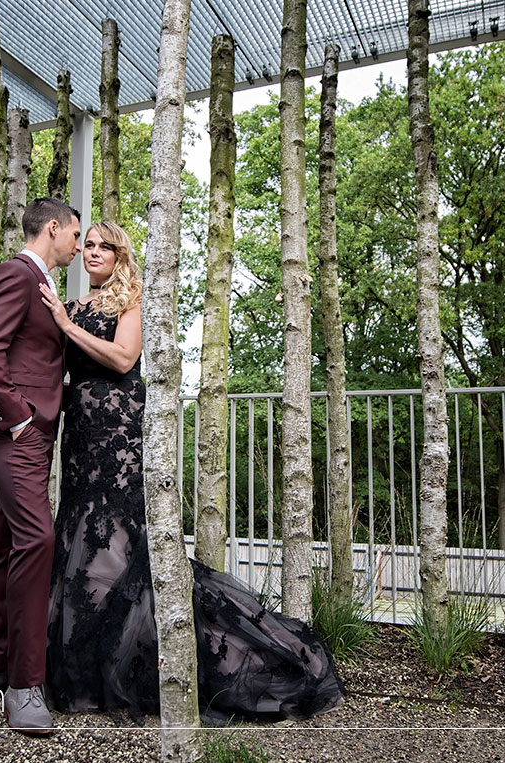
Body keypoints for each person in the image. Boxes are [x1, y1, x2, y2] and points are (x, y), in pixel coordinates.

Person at [40, 221, 344, 725]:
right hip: (78, 434)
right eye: (87, 244)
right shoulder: (70, 307)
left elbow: (123, 357)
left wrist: (67, 328)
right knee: (77, 534)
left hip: (117, 432)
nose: (92, 252)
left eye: (103, 247)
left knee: (120, 537)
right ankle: (84, 662)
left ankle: (147, 654)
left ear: (120, 256)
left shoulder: (128, 304)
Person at [0, 197, 82, 734]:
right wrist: (19, 420)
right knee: (38, 540)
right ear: (53, 228)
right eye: (76, 235)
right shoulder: (15, 274)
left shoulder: (43, 284)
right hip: (18, 431)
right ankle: (24, 686)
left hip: (31, 430)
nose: (79, 246)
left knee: (5, 542)